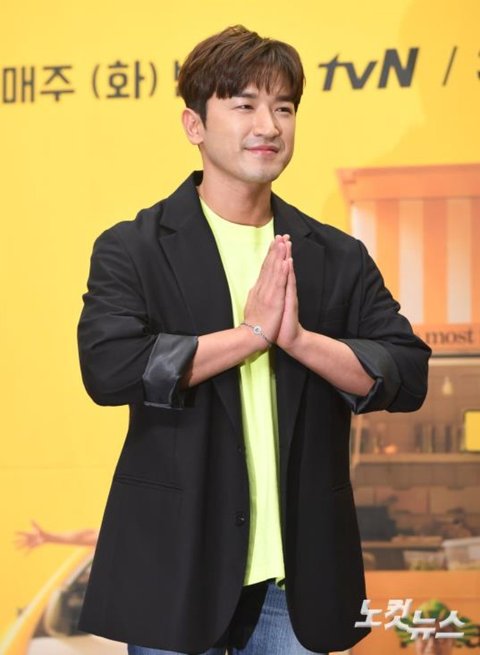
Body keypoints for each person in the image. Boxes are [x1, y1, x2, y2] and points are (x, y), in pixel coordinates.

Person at [77, 25, 431, 655]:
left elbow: (406, 373)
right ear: (194, 125)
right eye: (244, 105)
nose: (268, 125)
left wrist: (299, 340)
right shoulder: (133, 248)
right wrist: (251, 337)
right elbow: (110, 368)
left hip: (298, 584)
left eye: (284, 108)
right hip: (177, 570)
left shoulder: (336, 256)